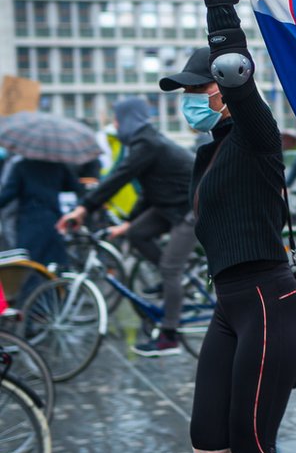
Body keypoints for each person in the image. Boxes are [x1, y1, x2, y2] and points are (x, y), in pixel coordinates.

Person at [168, 0, 296, 453]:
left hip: (270, 302)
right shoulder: (210, 153)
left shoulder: (255, 133)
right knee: (208, 443)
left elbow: (230, 56)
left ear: (226, 92)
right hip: (229, 305)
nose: (190, 99)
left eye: (198, 89)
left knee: (252, 450)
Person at [58, 98, 197, 357]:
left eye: (117, 119)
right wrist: (127, 224)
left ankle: (169, 336)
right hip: (169, 205)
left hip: (190, 209)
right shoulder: (145, 141)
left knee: (170, 269)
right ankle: (173, 280)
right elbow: (150, 191)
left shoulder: (148, 143)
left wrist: (83, 207)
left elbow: (119, 178)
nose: (115, 124)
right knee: (137, 234)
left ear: (129, 119)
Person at [0, 158, 81, 268]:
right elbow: (74, 187)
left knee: (28, 269)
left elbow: (7, 195)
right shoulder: (58, 165)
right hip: (54, 221)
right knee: (56, 269)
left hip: (30, 223)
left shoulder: (22, 165)